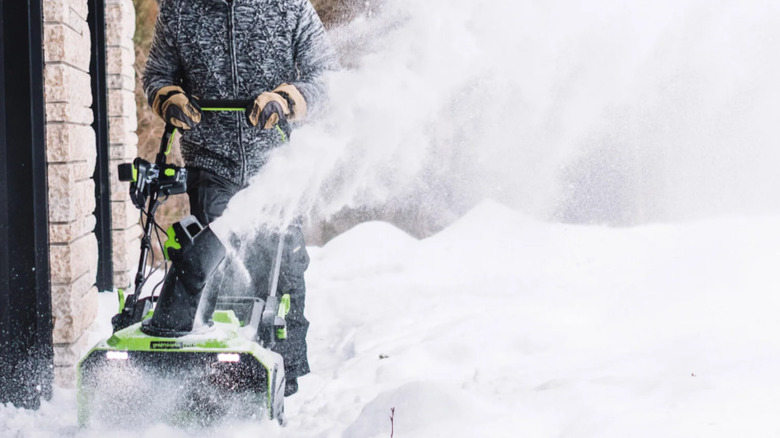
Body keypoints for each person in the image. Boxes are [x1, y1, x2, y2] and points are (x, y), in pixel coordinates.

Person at [143, 0, 338, 396]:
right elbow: (156, 75)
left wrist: (285, 100)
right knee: (214, 266)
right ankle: (213, 373)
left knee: (284, 266)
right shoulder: (181, 9)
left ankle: (285, 376)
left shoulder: (289, 7)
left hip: (277, 163)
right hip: (211, 163)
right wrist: (170, 99)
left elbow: (327, 78)